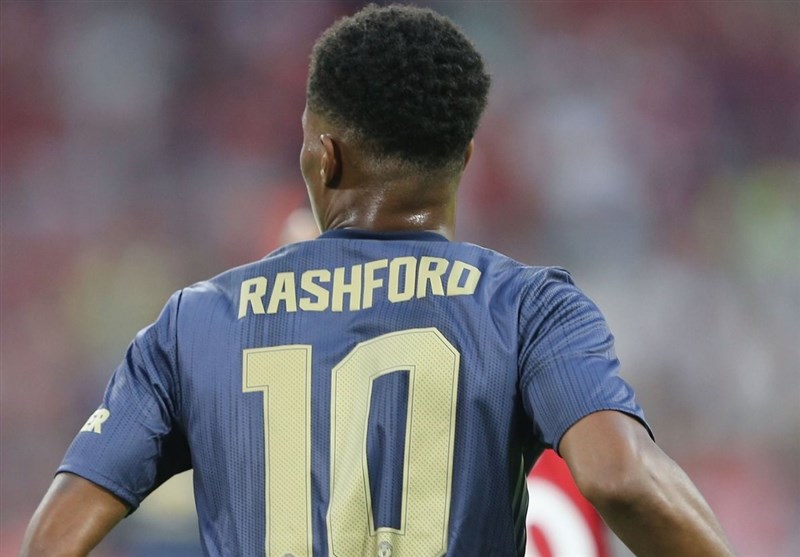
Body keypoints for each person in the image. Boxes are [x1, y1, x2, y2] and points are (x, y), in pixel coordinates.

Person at [21, 5, 735, 557]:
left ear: (324, 156)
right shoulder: (531, 309)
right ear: (464, 157)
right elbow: (620, 477)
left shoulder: (193, 323)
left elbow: (53, 539)